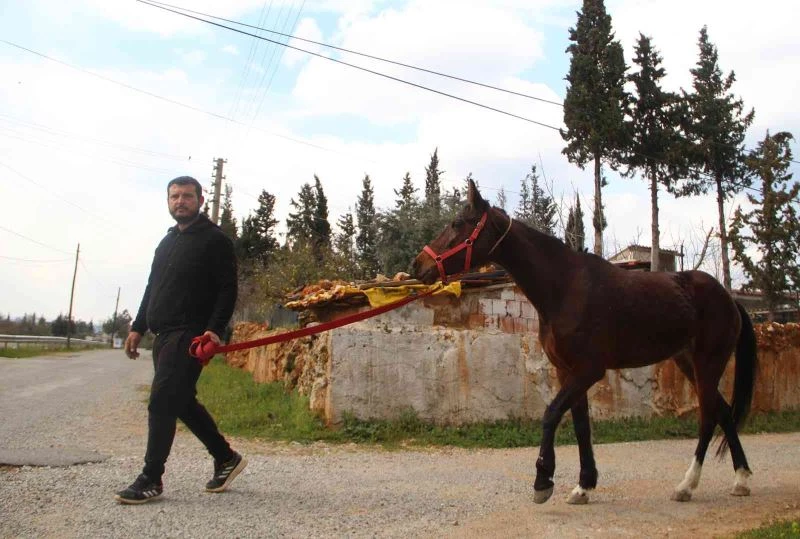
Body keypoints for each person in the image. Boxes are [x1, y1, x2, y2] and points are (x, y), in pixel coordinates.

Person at [115, 176, 246, 505]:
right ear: (168, 201)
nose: (180, 201)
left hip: (190, 334)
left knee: (162, 400)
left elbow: (227, 288)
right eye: (174, 196)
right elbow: (152, 287)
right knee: (181, 400)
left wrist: (215, 329)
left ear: (201, 200)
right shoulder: (166, 242)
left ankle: (151, 477)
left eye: (187, 196)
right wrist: (138, 326)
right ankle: (225, 457)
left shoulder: (215, 240)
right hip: (163, 335)